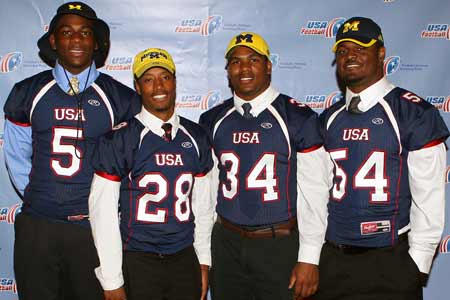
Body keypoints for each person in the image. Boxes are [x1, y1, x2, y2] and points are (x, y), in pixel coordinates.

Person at [3, 2, 139, 299]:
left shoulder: (120, 98)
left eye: (85, 32)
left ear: (96, 41)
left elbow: (132, 162)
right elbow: (16, 157)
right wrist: (45, 196)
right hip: (39, 228)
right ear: (53, 41)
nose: (76, 39)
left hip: (93, 231)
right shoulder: (29, 93)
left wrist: (97, 207)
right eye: (66, 32)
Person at [313, 17, 449, 300]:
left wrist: (417, 263)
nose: (350, 55)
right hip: (334, 260)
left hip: (390, 260)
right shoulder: (328, 119)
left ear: (381, 52)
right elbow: (316, 192)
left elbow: (429, 195)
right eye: (342, 50)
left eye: (361, 48)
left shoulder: (414, 113)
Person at [199, 32, 332, 300]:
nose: (244, 68)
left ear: (268, 65)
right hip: (226, 243)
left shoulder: (297, 117)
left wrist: (310, 256)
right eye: (235, 61)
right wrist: (203, 253)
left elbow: (316, 193)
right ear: (227, 70)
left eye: (253, 60)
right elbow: (205, 194)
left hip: (279, 245)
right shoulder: (212, 119)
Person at [88, 48, 213, 300]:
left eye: (165, 77)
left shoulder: (196, 136)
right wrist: (112, 279)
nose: (158, 85)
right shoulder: (120, 139)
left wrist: (203, 260)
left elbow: (204, 208)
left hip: (183, 256)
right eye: (148, 79)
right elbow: (103, 213)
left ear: (175, 81)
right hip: (138, 259)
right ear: (137, 86)